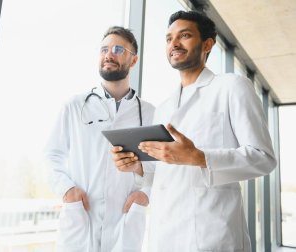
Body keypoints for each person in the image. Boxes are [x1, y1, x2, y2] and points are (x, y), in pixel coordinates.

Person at [112, 10, 276, 252]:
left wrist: (200, 157)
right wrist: (136, 166)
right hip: (164, 236)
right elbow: (161, 173)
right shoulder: (164, 108)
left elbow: (264, 158)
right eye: (168, 38)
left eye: (184, 35)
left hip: (213, 235)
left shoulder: (232, 87)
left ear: (207, 44)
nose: (174, 44)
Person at [43, 26, 155, 252]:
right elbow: (51, 155)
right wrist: (67, 190)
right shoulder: (75, 106)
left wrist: (145, 194)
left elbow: (161, 167)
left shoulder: (150, 113)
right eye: (104, 49)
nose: (109, 54)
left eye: (118, 49)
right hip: (81, 218)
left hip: (125, 220)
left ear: (133, 61)